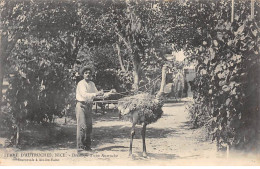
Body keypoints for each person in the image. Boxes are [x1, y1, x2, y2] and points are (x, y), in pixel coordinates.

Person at [75, 66, 104, 152]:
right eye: (86, 73)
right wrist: (96, 94)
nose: (88, 74)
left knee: (89, 127)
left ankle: (87, 146)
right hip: (81, 106)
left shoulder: (92, 84)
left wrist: (106, 93)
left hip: (88, 106)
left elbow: (97, 95)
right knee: (82, 126)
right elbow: (84, 95)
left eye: (89, 73)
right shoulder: (81, 83)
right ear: (83, 74)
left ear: (91, 75)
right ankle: (80, 147)